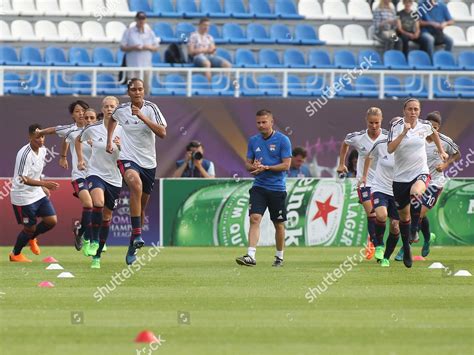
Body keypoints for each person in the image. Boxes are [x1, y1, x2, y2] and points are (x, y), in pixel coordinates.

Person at [107, 78, 167, 265]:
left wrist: (142, 116)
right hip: (127, 158)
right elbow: (111, 120)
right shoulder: (121, 110)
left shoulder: (151, 108)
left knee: (141, 207)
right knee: (135, 183)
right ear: (129, 92)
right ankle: (138, 234)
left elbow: (163, 133)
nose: (137, 92)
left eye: (140, 89)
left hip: (148, 163)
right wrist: (110, 140)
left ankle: (133, 242)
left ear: (144, 91)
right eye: (133, 89)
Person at [387, 99, 448, 268]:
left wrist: (441, 151)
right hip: (399, 178)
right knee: (403, 217)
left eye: (416, 109)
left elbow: (434, 133)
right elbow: (390, 149)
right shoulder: (396, 126)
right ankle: (406, 247)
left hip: (420, 172)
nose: (413, 112)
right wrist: (403, 134)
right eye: (410, 109)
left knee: (416, 192)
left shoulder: (424, 125)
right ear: (404, 110)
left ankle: (415, 229)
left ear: (419, 111)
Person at [394, 111, 460, 261]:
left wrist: (445, 164)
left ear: (439, 128)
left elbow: (457, 154)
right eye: (431, 126)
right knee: (415, 213)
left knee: (420, 213)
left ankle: (405, 248)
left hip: (435, 182)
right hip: (418, 179)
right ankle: (428, 237)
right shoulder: (418, 138)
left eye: (436, 128)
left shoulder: (444, 141)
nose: (433, 130)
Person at [236, 109, 292, 267]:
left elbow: (286, 165)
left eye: (264, 122)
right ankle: (250, 256)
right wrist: (252, 166)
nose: (261, 125)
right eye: (258, 123)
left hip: (277, 189)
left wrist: (266, 168)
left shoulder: (283, 140)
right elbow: (247, 164)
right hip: (259, 186)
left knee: (278, 224)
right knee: (254, 219)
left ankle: (279, 256)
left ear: (272, 122)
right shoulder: (253, 141)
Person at [35, 100, 91, 252]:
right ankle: (87, 237)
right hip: (80, 174)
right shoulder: (70, 130)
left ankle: (84, 233)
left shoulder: (96, 128)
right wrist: (40, 133)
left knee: (100, 208)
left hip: (99, 175)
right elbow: (55, 131)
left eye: (83, 110)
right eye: (77, 111)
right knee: (88, 204)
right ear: (73, 115)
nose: (81, 113)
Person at [76, 97, 122, 269]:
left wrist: (121, 146)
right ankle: (93, 239)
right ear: (102, 109)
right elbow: (77, 140)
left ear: (117, 108)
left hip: (115, 178)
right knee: (97, 203)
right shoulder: (93, 128)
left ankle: (97, 256)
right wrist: (80, 159)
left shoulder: (124, 130)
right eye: (106, 106)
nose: (109, 109)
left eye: (112, 106)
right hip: (95, 173)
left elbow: (129, 154)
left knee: (107, 217)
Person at [337, 107, 388, 260]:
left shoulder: (388, 136)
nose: (374, 126)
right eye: (371, 122)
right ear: (366, 121)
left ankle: (374, 240)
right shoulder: (358, 137)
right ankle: (377, 245)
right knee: (371, 213)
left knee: (383, 216)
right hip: (364, 181)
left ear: (381, 121)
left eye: (377, 123)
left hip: (383, 182)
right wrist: (341, 163)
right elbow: (345, 143)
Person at [9, 124, 59, 262]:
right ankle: (15, 254)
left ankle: (31, 238)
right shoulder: (24, 153)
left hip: (37, 193)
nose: (41, 139)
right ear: (30, 137)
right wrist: (44, 184)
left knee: (51, 221)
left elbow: (36, 173)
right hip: (22, 196)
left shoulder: (43, 150)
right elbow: (23, 179)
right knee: (29, 228)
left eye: (42, 136)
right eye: (37, 137)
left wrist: (42, 186)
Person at [360, 117, 401, 266]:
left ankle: (385, 257)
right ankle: (378, 245)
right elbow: (369, 157)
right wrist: (364, 176)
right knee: (381, 214)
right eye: (394, 127)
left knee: (395, 226)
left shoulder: (408, 146)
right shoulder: (381, 144)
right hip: (380, 187)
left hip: (398, 190)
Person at [120, 11, 160, 93]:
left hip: (146, 65)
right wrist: (133, 47)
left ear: (145, 20)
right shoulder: (128, 31)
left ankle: (146, 105)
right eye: (139, 19)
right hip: (133, 66)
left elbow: (156, 47)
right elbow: (122, 47)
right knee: (132, 88)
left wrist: (148, 47)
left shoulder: (150, 32)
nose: (141, 21)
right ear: (136, 19)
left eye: (143, 19)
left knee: (146, 88)